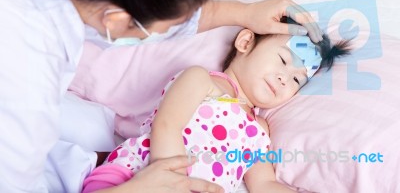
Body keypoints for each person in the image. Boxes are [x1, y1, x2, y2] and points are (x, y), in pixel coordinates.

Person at [0, 0, 323, 192]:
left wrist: (244, 12)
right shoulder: (25, 94)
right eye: (173, 25)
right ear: (117, 20)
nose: (285, 76)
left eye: (296, 77)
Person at [82, 29, 350, 193]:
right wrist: (173, 183)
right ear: (245, 42)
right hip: (132, 177)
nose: (284, 78)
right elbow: (166, 126)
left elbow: (264, 185)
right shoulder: (202, 81)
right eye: (283, 60)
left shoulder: (259, 131)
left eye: (296, 80)